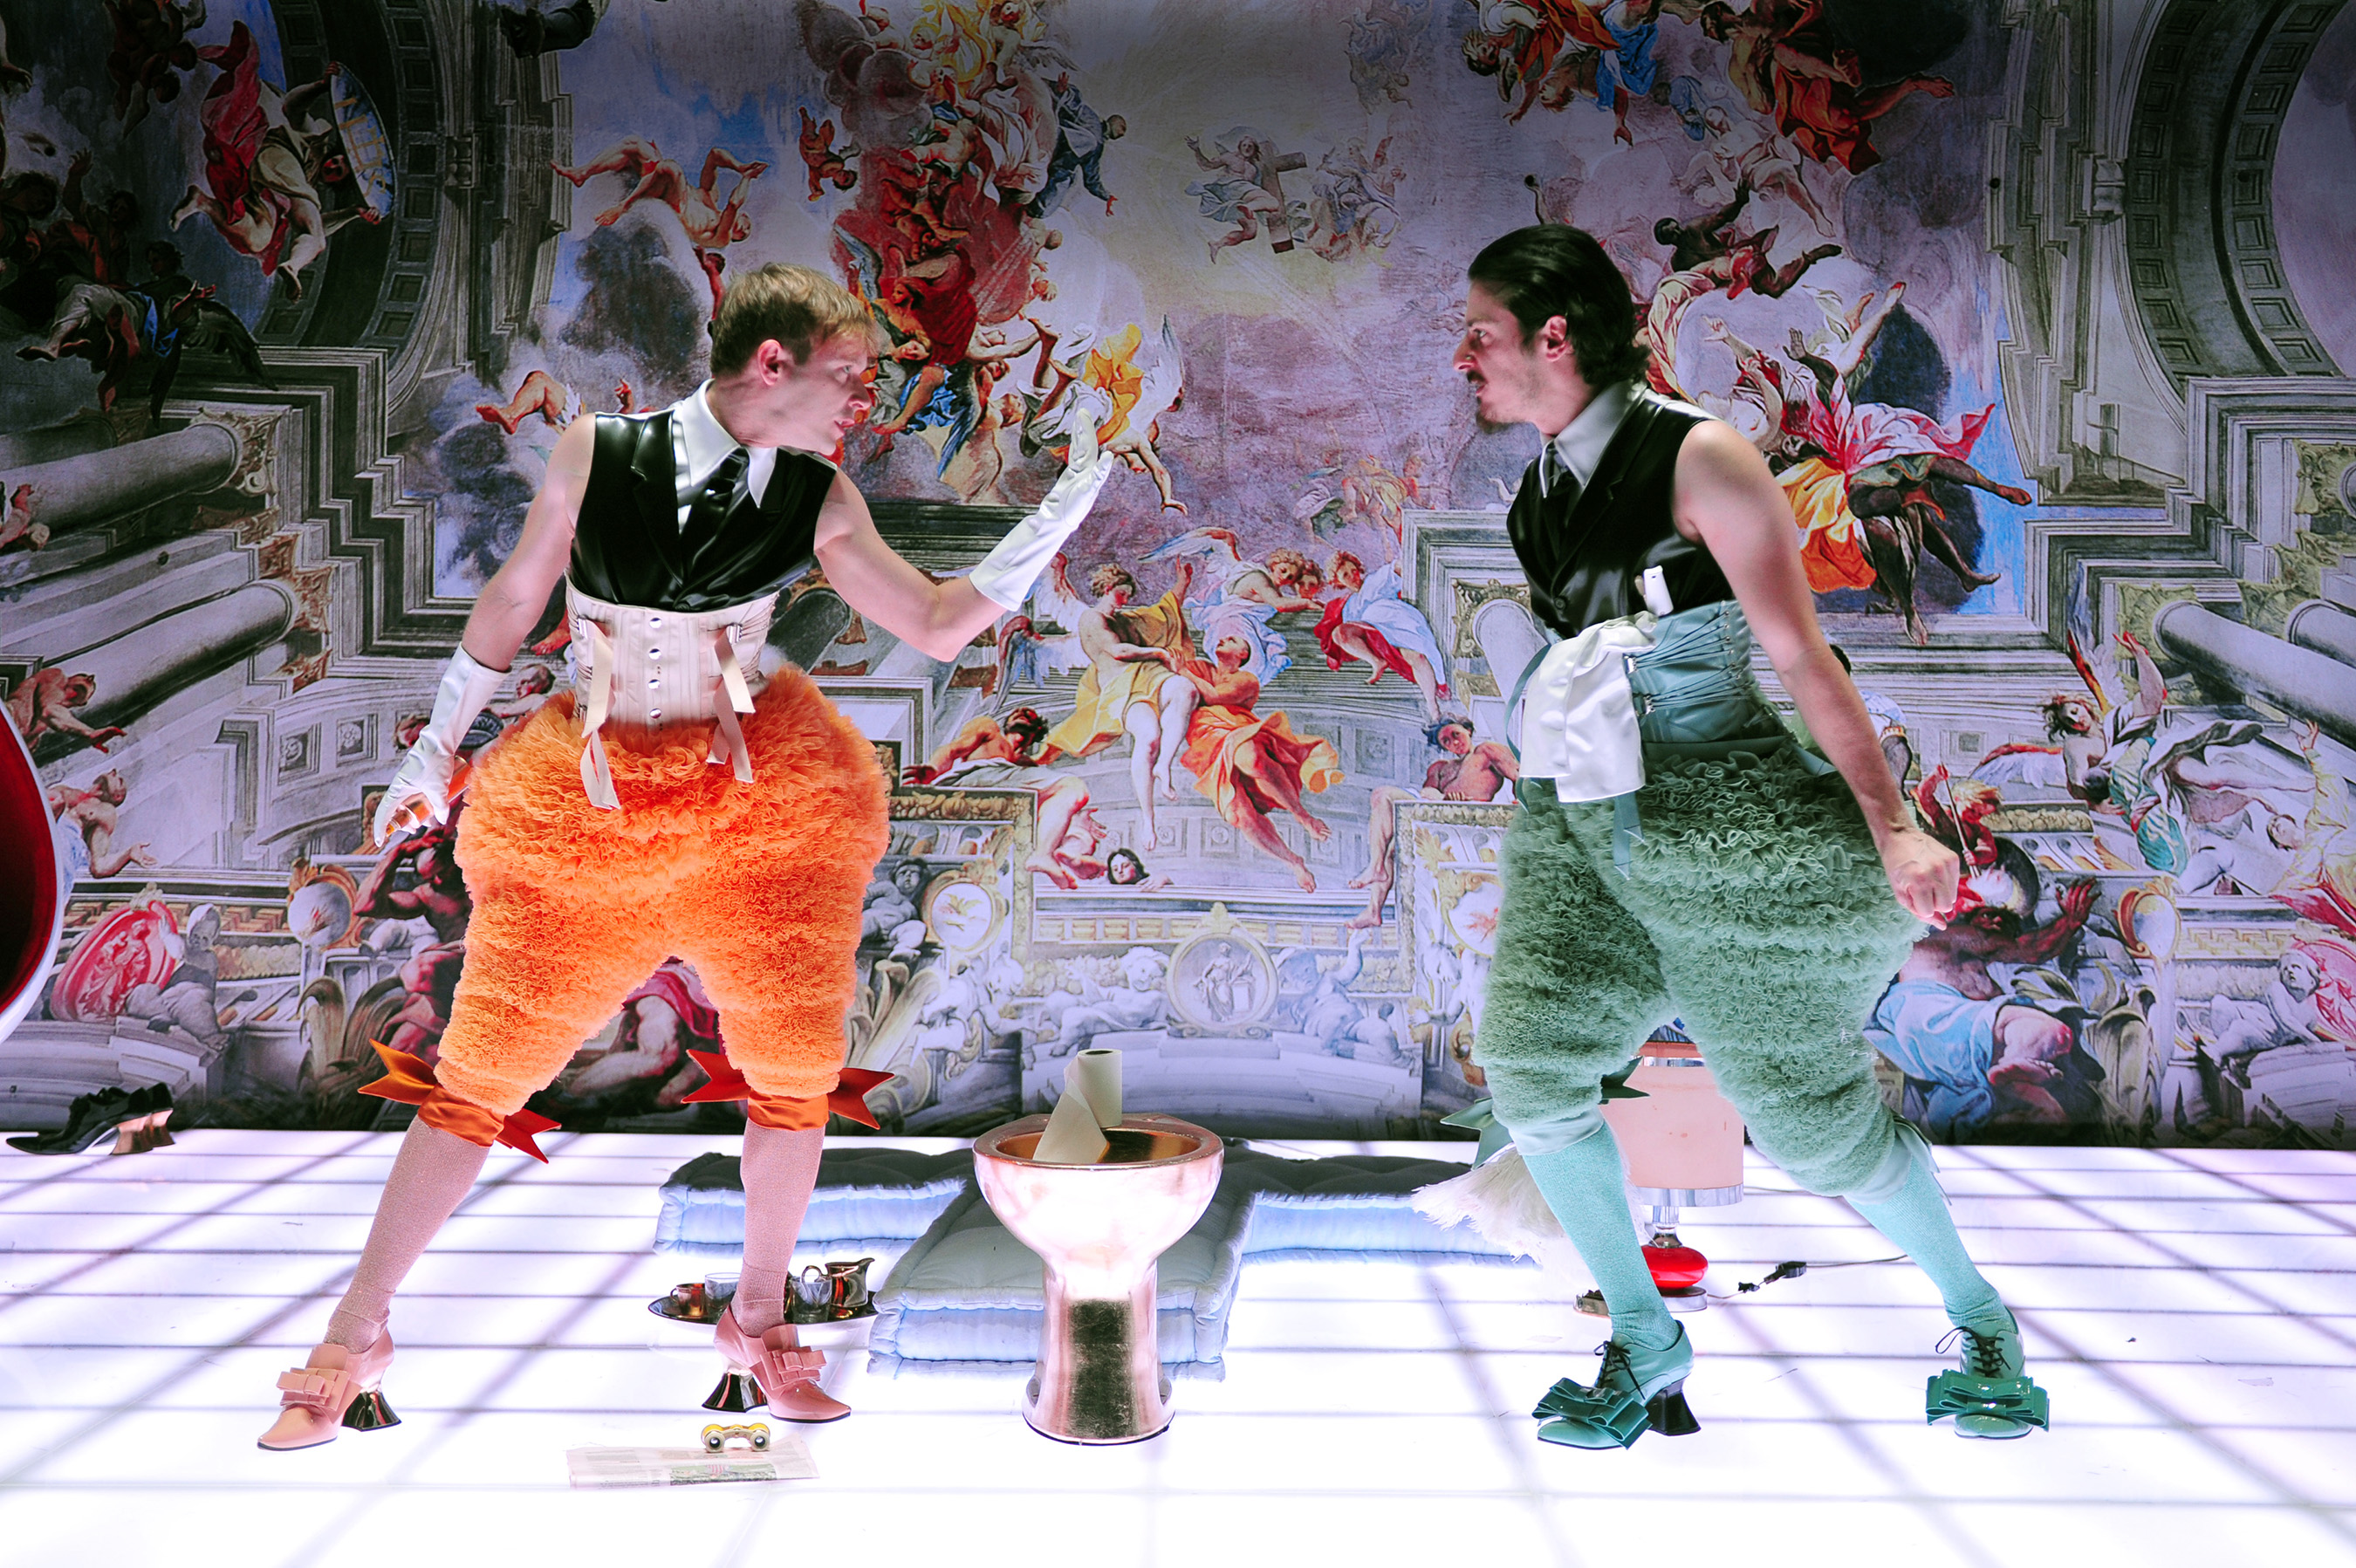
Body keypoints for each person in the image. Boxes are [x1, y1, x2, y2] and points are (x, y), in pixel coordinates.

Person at [255, 264, 1109, 1451]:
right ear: (773, 363)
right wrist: (435, 747)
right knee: (477, 1075)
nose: (863, 398)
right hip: (587, 808)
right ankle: (357, 1333)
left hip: (752, 812)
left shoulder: (816, 494)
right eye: (848, 375)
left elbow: (935, 621)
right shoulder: (597, 453)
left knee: (795, 1074)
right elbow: (514, 599)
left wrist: (1057, 515)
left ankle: (757, 1321)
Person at [1451, 225, 2044, 1448]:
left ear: (1553, 336)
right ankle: (1643, 1340)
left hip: (1731, 826)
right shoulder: (1537, 496)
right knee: (1531, 1071)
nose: (1464, 359)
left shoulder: (1701, 457)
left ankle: (1984, 1323)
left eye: (1480, 334)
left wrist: (1894, 829)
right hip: (1586, 824)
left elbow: (1804, 657)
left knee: (1811, 1127)